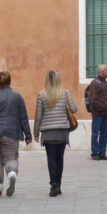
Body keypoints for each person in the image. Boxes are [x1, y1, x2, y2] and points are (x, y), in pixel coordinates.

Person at [33, 69, 78, 197]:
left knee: (51, 159)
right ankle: (58, 184)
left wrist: (35, 132)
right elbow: (74, 109)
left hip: (48, 133)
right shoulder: (65, 93)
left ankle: (54, 184)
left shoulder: (41, 95)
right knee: (60, 158)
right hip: (62, 132)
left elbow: (38, 115)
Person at [87, 64, 107, 161]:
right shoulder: (95, 83)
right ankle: (94, 153)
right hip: (98, 113)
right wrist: (103, 107)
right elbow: (93, 100)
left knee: (104, 133)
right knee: (95, 133)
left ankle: (102, 153)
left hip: (105, 113)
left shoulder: (105, 82)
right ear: (102, 72)